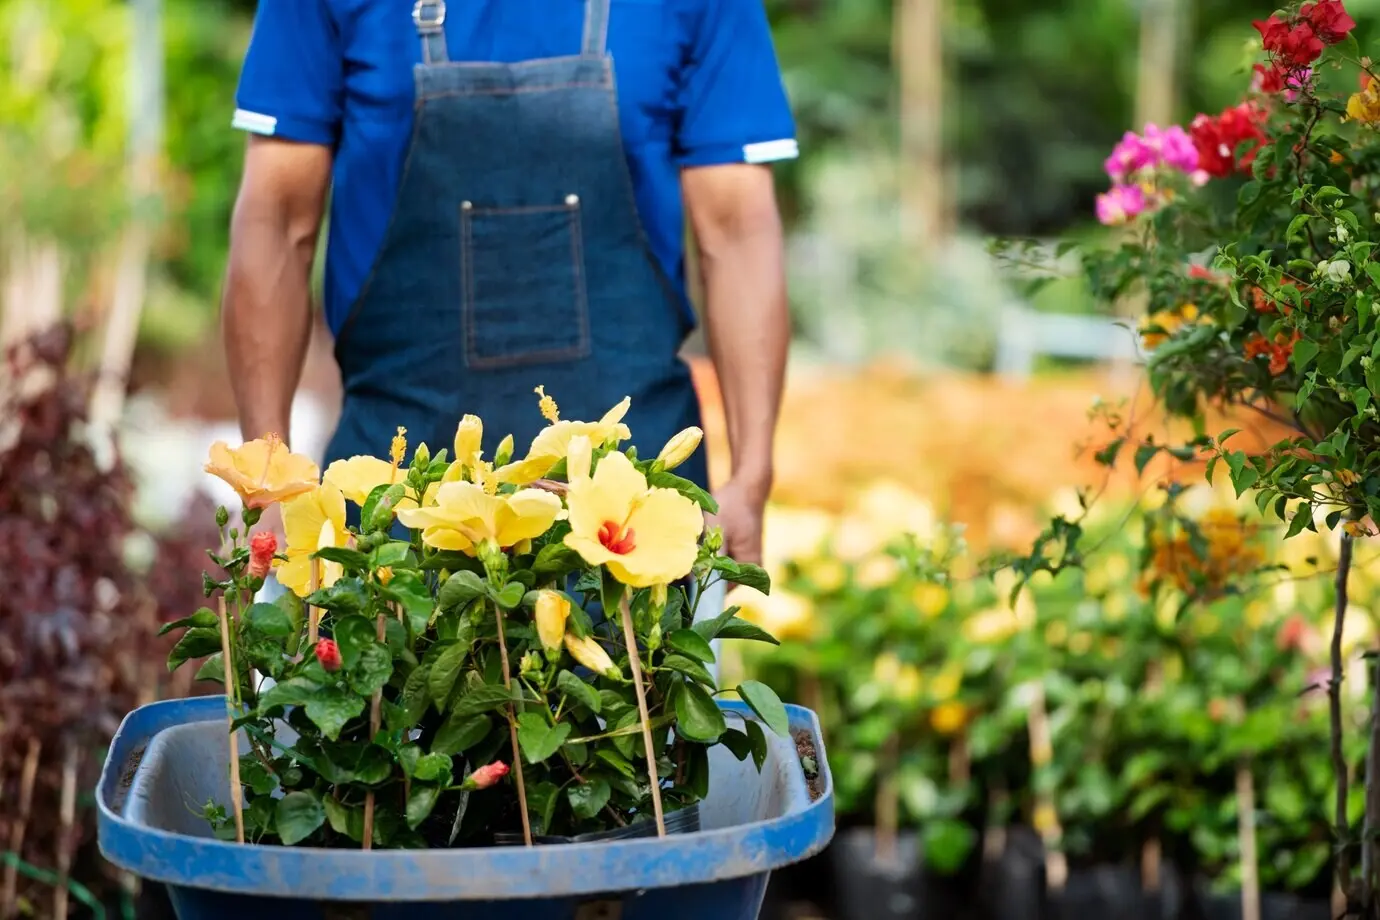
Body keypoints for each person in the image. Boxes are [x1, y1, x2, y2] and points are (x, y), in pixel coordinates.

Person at [221, 0, 794, 565]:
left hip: (632, 530)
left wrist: (752, 477)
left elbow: (737, 231)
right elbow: (278, 220)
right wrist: (266, 486)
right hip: (389, 519)